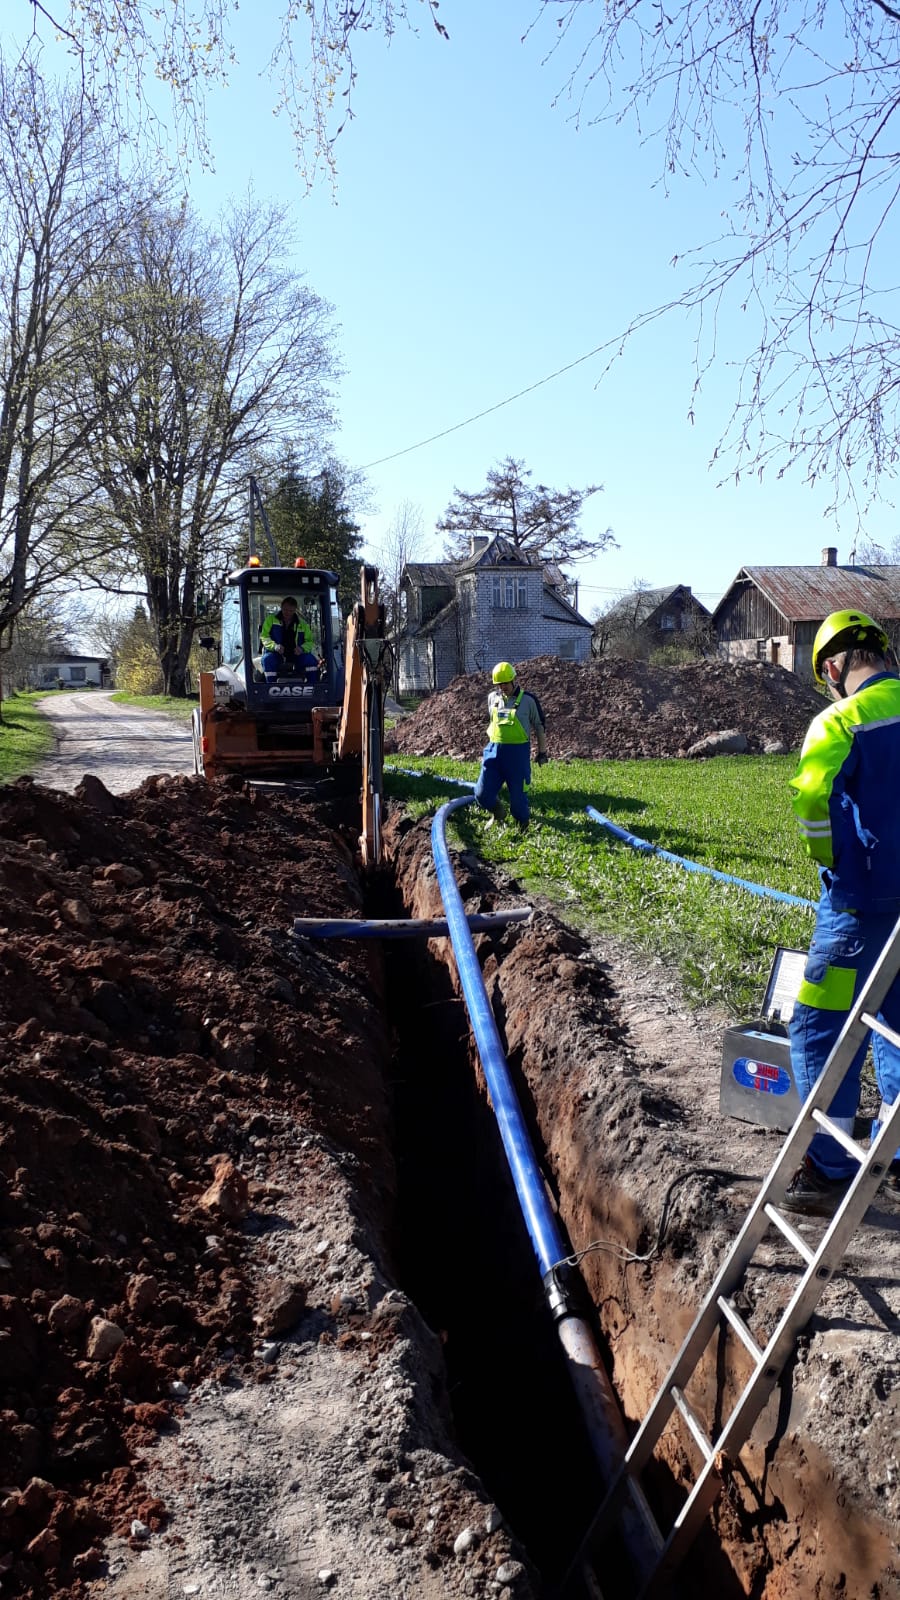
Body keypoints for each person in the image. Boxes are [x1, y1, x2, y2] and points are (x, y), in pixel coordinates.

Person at [784, 608, 900, 1214]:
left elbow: (811, 799)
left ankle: (830, 1167)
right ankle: (896, 1154)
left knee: (818, 1029)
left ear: (833, 666)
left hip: (860, 906)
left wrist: (838, 865)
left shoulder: (842, 721)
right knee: (899, 1026)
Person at [474, 661, 548, 830]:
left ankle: (522, 825)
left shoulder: (529, 700)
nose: (503, 687)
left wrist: (542, 752)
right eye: (499, 684)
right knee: (482, 794)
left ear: (513, 680)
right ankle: (498, 812)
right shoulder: (492, 698)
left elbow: (539, 726)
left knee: (518, 799)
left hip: (517, 756)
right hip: (493, 753)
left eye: (506, 683)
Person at [260, 598, 318, 683]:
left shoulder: (302, 624)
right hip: (276, 654)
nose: (288, 613)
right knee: (267, 659)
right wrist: (275, 646)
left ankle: (313, 687)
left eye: (291, 610)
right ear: (281, 607)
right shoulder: (271, 620)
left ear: (295, 610)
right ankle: (271, 687)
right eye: (285, 610)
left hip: (296, 655)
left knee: (310, 659)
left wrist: (302, 649)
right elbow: (264, 637)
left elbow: (310, 642)